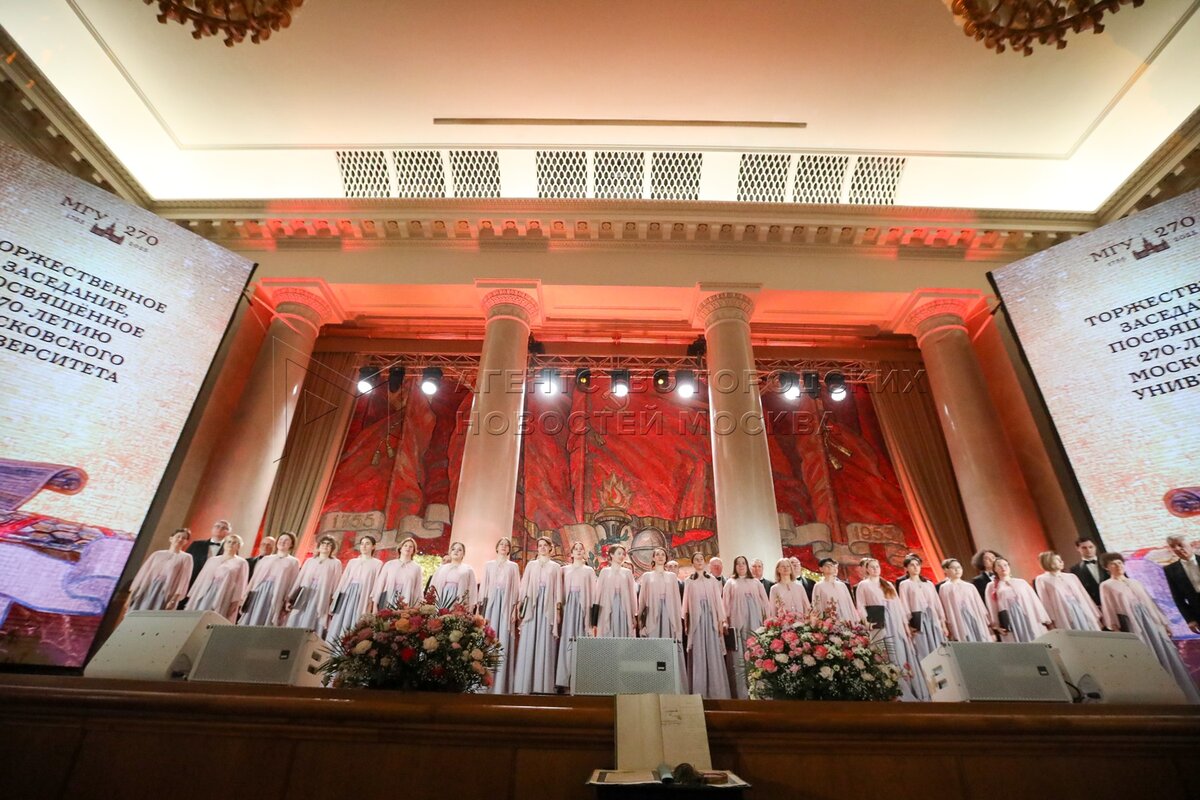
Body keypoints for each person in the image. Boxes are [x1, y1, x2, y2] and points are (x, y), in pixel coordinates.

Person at [1100, 552, 1200, 703]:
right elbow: (1109, 608)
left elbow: (1150, 603)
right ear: (1107, 567)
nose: (1118, 566)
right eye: (1113, 564)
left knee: (1165, 652)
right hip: (1133, 623)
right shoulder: (1107, 585)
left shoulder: (1134, 582)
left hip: (1151, 621)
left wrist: (1164, 623)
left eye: (1120, 563)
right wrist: (1115, 627)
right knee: (1148, 654)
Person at [856, 557, 929, 701]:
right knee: (884, 654)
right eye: (872, 567)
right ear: (867, 569)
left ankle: (909, 688)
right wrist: (866, 621)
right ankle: (893, 691)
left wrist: (905, 624)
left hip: (894, 622)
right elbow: (861, 605)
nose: (875, 569)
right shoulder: (863, 585)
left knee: (899, 651)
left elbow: (899, 606)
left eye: (877, 566)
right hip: (877, 619)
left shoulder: (887, 584)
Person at [514, 536, 562, 694]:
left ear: (550, 548)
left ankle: (542, 685)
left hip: (548, 605)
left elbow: (558, 589)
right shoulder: (531, 565)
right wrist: (520, 604)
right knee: (529, 639)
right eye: (540, 545)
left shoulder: (556, 567)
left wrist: (558, 610)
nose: (542, 548)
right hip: (532, 606)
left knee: (545, 639)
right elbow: (524, 585)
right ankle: (524, 684)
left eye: (545, 545)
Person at [682, 553, 729, 699]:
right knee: (699, 652)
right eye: (696, 560)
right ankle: (699, 691)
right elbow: (686, 604)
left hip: (711, 618)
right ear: (692, 563)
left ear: (704, 562)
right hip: (697, 620)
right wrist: (686, 623)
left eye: (701, 559)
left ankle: (717, 692)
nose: (699, 562)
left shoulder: (712, 580)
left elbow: (718, 601)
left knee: (713, 650)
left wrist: (721, 620)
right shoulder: (689, 581)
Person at [723, 555, 770, 699]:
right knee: (740, 656)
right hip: (738, 623)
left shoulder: (756, 582)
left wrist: (767, 619)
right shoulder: (730, 582)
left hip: (755, 622)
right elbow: (725, 604)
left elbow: (765, 603)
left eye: (743, 563)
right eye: (738, 564)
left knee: (756, 652)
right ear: (735, 566)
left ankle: (759, 690)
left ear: (747, 565)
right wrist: (725, 621)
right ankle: (742, 693)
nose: (741, 566)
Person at [638, 546, 686, 687]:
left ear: (666, 558)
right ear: (653, 558)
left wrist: (678, 622)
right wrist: (640, 620)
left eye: (662, 555)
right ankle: (654, 684)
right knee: (654, 648)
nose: (660, 557)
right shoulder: (647, 576)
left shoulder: (672, 576)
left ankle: (672, 683)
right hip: (653, 615)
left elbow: (676, 601)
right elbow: (642, 600)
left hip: (669, 616)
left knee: (668, 648)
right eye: (657, 554)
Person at [326, 535, 383, 645]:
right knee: (340, 618)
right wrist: (336, 596)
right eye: (362, 544)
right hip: (347, 593)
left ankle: (347, 647)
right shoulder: (352, 562)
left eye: (367, 544)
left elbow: (377, 583)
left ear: (373, 546)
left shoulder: (377, 563)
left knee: (356, 620)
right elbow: (344, 579)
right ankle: (332, 645)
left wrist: (371, 600)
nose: (364, 546)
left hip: (363, 595)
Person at [556, 541, 596, 691]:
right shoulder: (564, 570)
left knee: (581, 639)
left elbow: (593, 592)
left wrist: (591, 615)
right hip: (568, 606)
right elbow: (559, 591)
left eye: (581, 549)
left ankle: (581, 678)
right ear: (571, 553)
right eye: (576, 549)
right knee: (567, 639)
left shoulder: (589, 571)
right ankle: (563, 679)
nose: (579, 551)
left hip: (583, 607)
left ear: (584, 552)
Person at [284, 535, 343, 637]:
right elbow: (299, 579)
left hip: (321, 596)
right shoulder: (310, 561)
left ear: (332, 548)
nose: (325, 546)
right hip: (305, 594)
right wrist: (290, 597)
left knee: (313, 618)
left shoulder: (335, 563)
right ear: (319, 546)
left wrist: (332, 601)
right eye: (323, 543)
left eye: (329, 544)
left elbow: (336, 584)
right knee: (297, 617)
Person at [239, 531, 300, 626]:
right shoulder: (266, 558)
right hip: (258, 592)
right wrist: (246, 594)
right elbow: (254, 578)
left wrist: (288, 599)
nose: (282, 542)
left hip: (276, 594)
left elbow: (293, 583)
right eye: (281, 539)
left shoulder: (293, 562)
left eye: (286, 540)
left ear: (291, 544)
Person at [185, 534, 250, 622]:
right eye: (229, 542)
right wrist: (194, 594)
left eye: (234, 543)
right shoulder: (212, 560)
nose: (231, 544)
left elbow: (241, 584)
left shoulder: (241, 563)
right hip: (205, 591)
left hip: (223, 593)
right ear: (224, 544)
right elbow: (201, 579)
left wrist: (235, 602)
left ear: (239, 546)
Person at [897, 553, 948, 664]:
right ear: (906, 568)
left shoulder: (928, 583)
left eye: (917, 565)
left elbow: (937, 603)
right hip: (918, 619)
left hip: (932, 618)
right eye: (912, 565)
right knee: (923, 648)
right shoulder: (904, 584)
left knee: (939, 646)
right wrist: (908, 625)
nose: (915, 567)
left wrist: (943, 624)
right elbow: (904, 605)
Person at [127, 528, 194, 612]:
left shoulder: (186, 558)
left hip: (166, 590)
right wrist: (131, 594)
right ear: (171, 538)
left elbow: (184, 580)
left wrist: (174, 599)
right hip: (147, 587)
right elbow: (143, 574)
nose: (180, 539)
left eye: (184, 538)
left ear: (186, 542)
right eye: (178, 536)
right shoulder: (157, 554)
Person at [986, 557, 1052, 643]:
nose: (1003, 567)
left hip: (1027, 614)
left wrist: (1042, 617)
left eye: (1005, 565)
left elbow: (1034, 601)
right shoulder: (991, 586)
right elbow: (992, 607)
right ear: (994, 569)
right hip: (1009, 617)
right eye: (999, 566)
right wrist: (997, 625)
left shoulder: (1021, 582)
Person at [1034, 551, 1101, 632]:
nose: (1062, 562)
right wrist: (1051, 619)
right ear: (1049, 562)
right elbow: (1045, 601)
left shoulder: (1071, 576)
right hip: (1062, 612)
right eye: (1058, 560)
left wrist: (1093, 611)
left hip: (1080, 608)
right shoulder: (1042, 579)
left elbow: (1084, 595)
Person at [938, 558, 993, 642]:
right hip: (958, 617)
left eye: (959, 567)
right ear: (946, 570)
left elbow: (980, 605)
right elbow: (946, 607)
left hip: (974, 616)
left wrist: (987, 621)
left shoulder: (970, 586)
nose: (957, 570)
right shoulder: (944, 588)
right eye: (953, 568)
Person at [595, 545, 637, 637]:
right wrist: (595, 615)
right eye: (619, 553)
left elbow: (632, 594)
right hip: (606, 607)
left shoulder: (627, 572)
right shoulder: (604, 572)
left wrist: (634, 614)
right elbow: (598, 593)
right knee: (607, 631)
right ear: (611, 554)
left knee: (623, 631)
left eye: (623, 554)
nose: (622, 556)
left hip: (624, 607)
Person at [372, 536, 423, 611]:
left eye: (411, 547)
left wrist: (416, 608)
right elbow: (380, 585)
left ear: (413, 551)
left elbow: (418, 589)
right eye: (405, 545)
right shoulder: (389, 564)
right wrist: (375, 606)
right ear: (400, 549)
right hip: (387, 601)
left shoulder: (417, 568)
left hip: (406, 604)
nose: (408, 548)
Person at [1164, 535, 1200, 633]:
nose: (1177, 549)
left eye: (1180, 545)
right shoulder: (1170, 570)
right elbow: (1178, 598)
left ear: (1191, 545)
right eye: (1173, 546)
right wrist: (1189, 619)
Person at [429, 541, 478, 610]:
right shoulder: (442, 568)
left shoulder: (468, 569)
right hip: (442, 597)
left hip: (458, 598)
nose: (456, 551)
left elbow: (472, 588)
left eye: (459, 550)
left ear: (463, 554)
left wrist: (471, 605)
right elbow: (433, 585)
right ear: (450, 552)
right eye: (453, 549)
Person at [185, 519, 231, 589]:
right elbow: (186, 563)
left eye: (224, 528)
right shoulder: (196, 545)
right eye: (217, 526)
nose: (220, 529)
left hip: (213, 585)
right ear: (212, 529)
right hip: (191, 581)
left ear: (228, 533)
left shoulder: (230, 550)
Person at [811, 557, 859, 622]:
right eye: (827, 565)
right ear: (821, 569)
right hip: (829, 621)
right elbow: (817, 605)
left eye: (832, 565)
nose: (830, 567)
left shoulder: (842, 585)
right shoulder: (818, 586)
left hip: (846, 619)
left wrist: (856, 619)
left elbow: (850, 603)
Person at [1068, 537, 1108, 608]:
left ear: (1095, 547)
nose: (1088, 550)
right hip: (1095, 606)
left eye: (1091, 547)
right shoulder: (1075, 569)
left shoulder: (1108, 562)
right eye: (1084, 548)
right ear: (1077, 549)